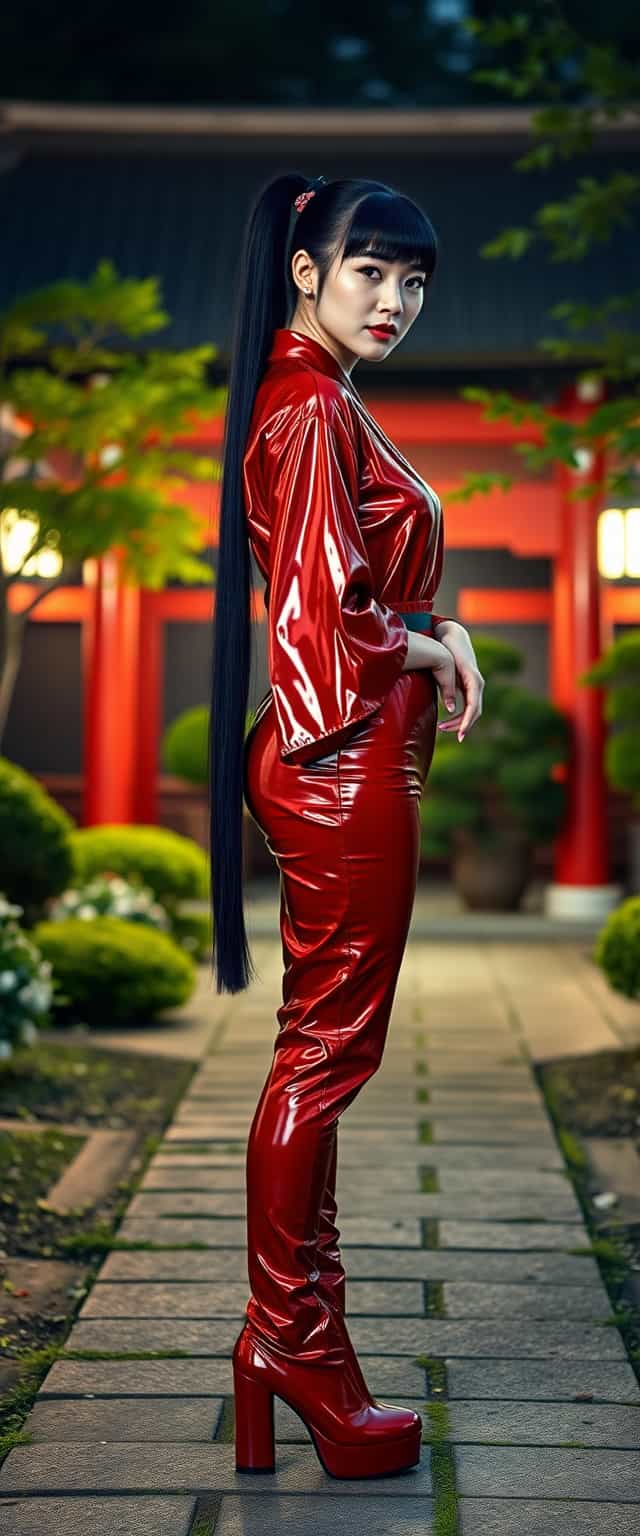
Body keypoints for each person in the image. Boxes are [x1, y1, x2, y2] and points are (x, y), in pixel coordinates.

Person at [209, 173, 484, 1481]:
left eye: (414, 280)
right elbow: (323, 628)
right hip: (340, 761)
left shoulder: (313, 401)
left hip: (345, 758)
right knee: (324, 1061)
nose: (397, 298)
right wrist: (425, 643)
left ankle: (294, 1341)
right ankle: (294, 1343)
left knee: (319, 1058)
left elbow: (353, 586)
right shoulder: (310, 406)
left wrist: (434, 631)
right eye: (369, 269)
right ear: (306, 271)